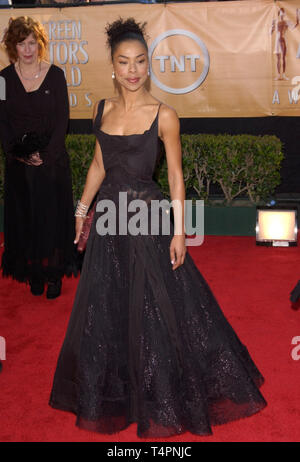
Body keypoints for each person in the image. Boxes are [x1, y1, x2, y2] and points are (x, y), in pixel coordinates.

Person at [49, 17, 267, 438]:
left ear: (149, 66)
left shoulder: (164, 115)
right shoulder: (102, 109)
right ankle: (122, 394)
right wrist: (82, 208)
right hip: (110, 228)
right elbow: (98, 163)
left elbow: (176, 178)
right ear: (112, 66)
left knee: (160, 313)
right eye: (124, 62)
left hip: (148, 222)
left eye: (140, 62)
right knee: (110, 311)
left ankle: (163, 394)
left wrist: (180, 231)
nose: (132, 70)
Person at [0, 16, 77, 298]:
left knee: (52, 219)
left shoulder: (55, 74)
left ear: (40, 45)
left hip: (51, 163)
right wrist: (18, 154)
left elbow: (62, 120)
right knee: (27, 219)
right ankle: (33, 270)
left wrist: (45, 155)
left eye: (32, 43)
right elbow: (2, 121)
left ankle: (54, 274)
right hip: (19, 165)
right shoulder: (3, 79)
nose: (28, 49)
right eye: (22, 44)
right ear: (13, 47)